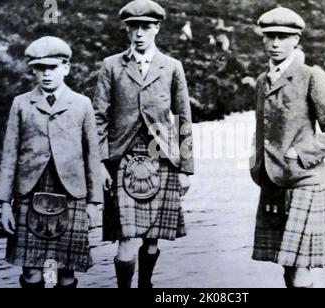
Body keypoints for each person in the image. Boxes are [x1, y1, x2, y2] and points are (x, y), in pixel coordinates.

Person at [93, 0, 194, 288]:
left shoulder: (172, 67)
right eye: (133, 27)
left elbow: (183, 118)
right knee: (125, 238)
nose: (139, 34)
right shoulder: (111, 66)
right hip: (121, 158)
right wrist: (100, 163)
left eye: (145, 27)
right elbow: (98, 117)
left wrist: (186, 168)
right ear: (126, 30)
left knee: (152, 237)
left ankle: (146, 285)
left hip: (160, 158)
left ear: (157, 29)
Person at [250, 7, 325, 288]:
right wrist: (256, 163)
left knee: (301, 266)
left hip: (304, 180)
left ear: (296, 40)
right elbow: (261, 131)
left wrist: (301, 153)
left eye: (283, 37)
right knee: (287, 265)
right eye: (269, 37)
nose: (275, 43)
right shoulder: (262, 81)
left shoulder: (312, 76)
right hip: (272, 183)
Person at [0, 36, 102, 288]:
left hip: (71, 191)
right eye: (39, 69)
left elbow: (92, 156)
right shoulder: (21, 103)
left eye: (52, 68)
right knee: (31, 271)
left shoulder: (82, 104)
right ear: (33, 70)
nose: (46, 75)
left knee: (67, 272)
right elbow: (9, 154)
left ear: (66, 68)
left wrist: (95, 202)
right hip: (29, 191)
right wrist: (4, 204)